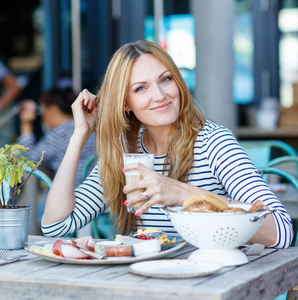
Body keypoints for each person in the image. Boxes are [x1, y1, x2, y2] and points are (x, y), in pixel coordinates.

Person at [42, 40, 293, 248]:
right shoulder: (126, 153)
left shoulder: (213, 143)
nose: (160, 96)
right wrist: (80, 135)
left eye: (165, 80)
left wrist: (183, 193)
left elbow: (281, 233)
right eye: (141, 88)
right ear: (125, 103)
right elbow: (55, 225)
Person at [17, 87, 96, 186]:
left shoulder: (58, 134)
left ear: (53, 110)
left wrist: (25, 124)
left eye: (41, 110)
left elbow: (26, 162)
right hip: (94, 188)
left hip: (72, 192)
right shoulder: (88, 125)